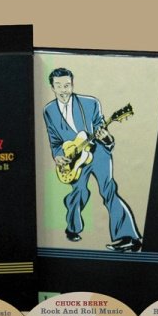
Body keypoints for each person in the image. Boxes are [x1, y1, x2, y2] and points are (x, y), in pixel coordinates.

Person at [42, 67, 141, 252]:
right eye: (59, 86)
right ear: (52, 87)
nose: (64, 90)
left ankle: (129, 237)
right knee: (78, 192)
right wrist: (58, 156)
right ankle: (73, 228)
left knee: (108, 190)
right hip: (73, 158)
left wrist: (106, 138)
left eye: (67, 85)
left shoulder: (90, 103)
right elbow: (54, 140)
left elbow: (101, 128)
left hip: (98, 153)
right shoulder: (49, 110)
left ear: (72, 85)